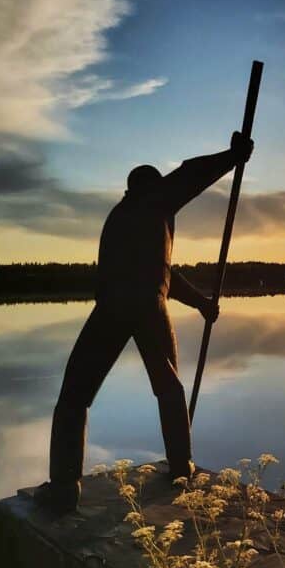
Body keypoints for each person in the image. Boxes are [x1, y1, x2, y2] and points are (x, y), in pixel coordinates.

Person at [33, 132, 254, 513]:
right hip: (142, 306)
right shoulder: (151, 203)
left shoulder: (134, 216)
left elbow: (165, 274)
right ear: (149, 188)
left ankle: (66, 487)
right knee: (165, 388)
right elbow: (190, 175)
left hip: (118, 307)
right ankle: (180, 467)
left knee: (77, 396)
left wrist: (201, 303)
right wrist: (232, 156)